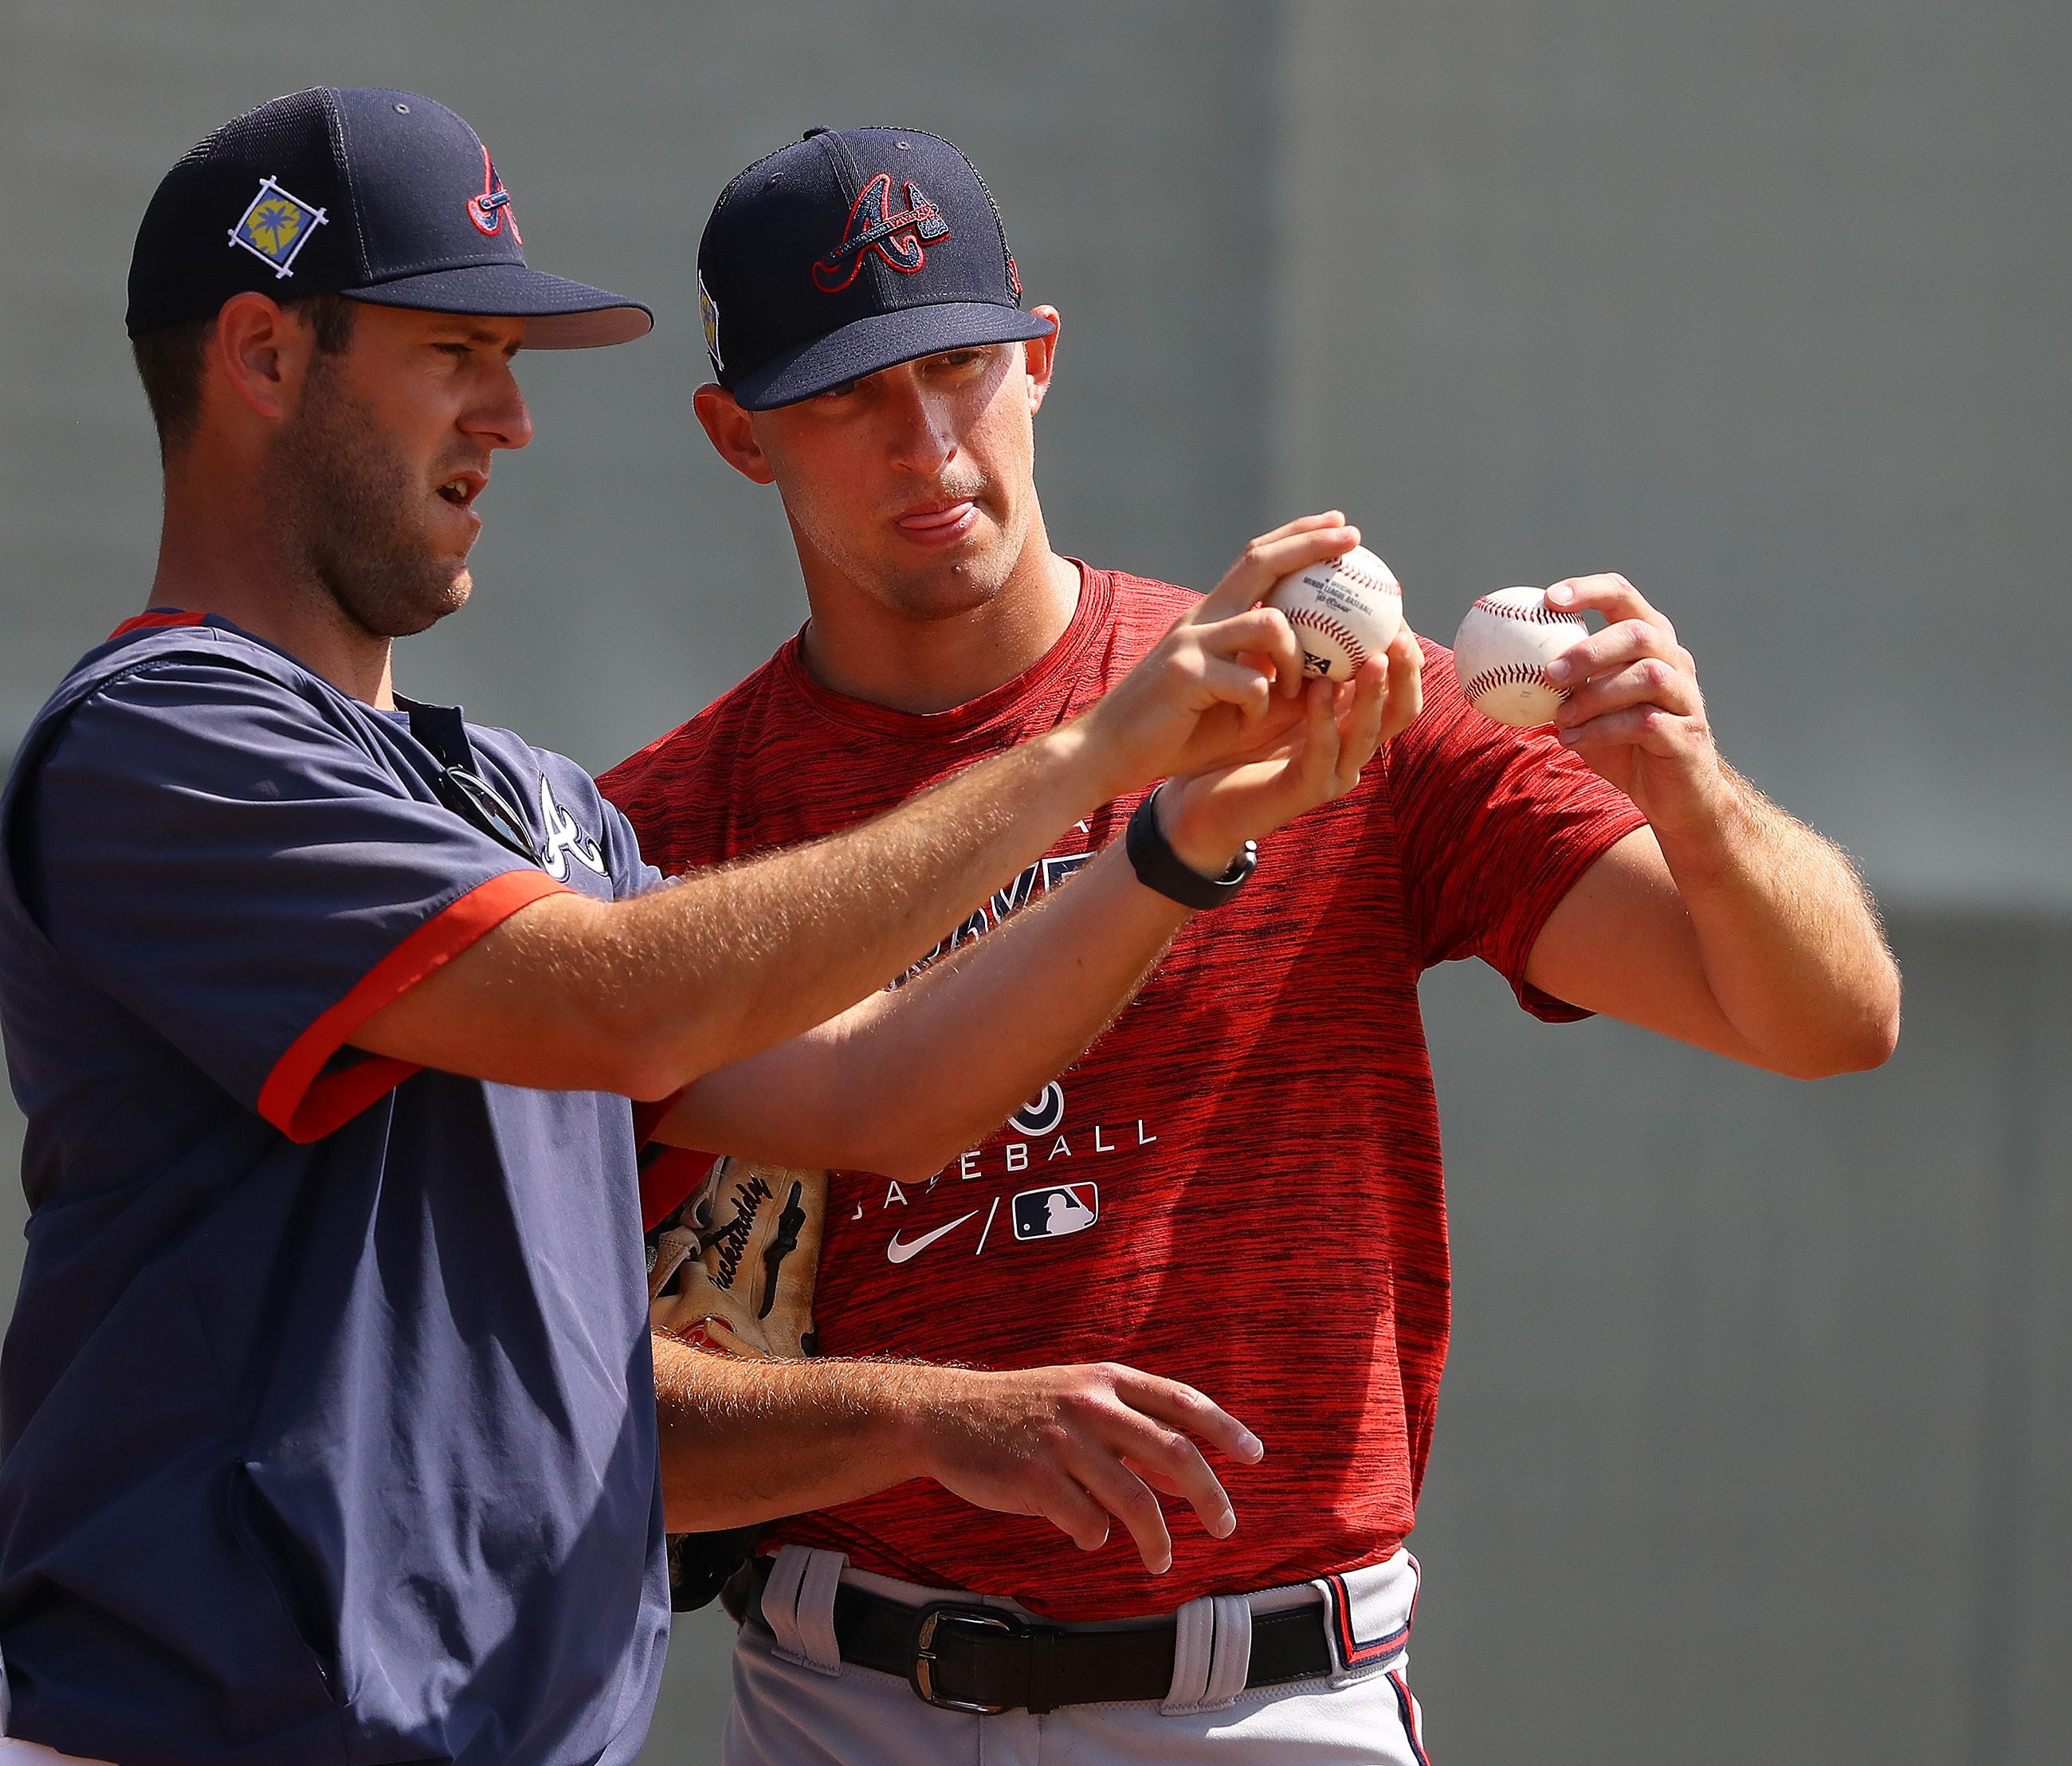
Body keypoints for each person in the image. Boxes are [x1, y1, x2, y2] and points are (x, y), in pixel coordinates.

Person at [0, 92, 1397, 1766]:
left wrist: (1170, 840)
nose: (512, 416)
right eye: (456, 348)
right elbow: (621, 1009)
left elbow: (877, 1090)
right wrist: (1083, 752)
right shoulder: (167, 740)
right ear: (264, 351)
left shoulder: (529, 798)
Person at [599, 125, 1904, 1763]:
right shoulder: (655, 839)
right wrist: (918, 1423)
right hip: (850, 1694)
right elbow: (569, 1404)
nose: (926, 439)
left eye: (959, 367)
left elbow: (1822, 1021)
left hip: (1267, 1698)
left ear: (1040, 360)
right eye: (850, 392)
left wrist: (1693, 791)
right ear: (737, 437)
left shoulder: (1337, 710)